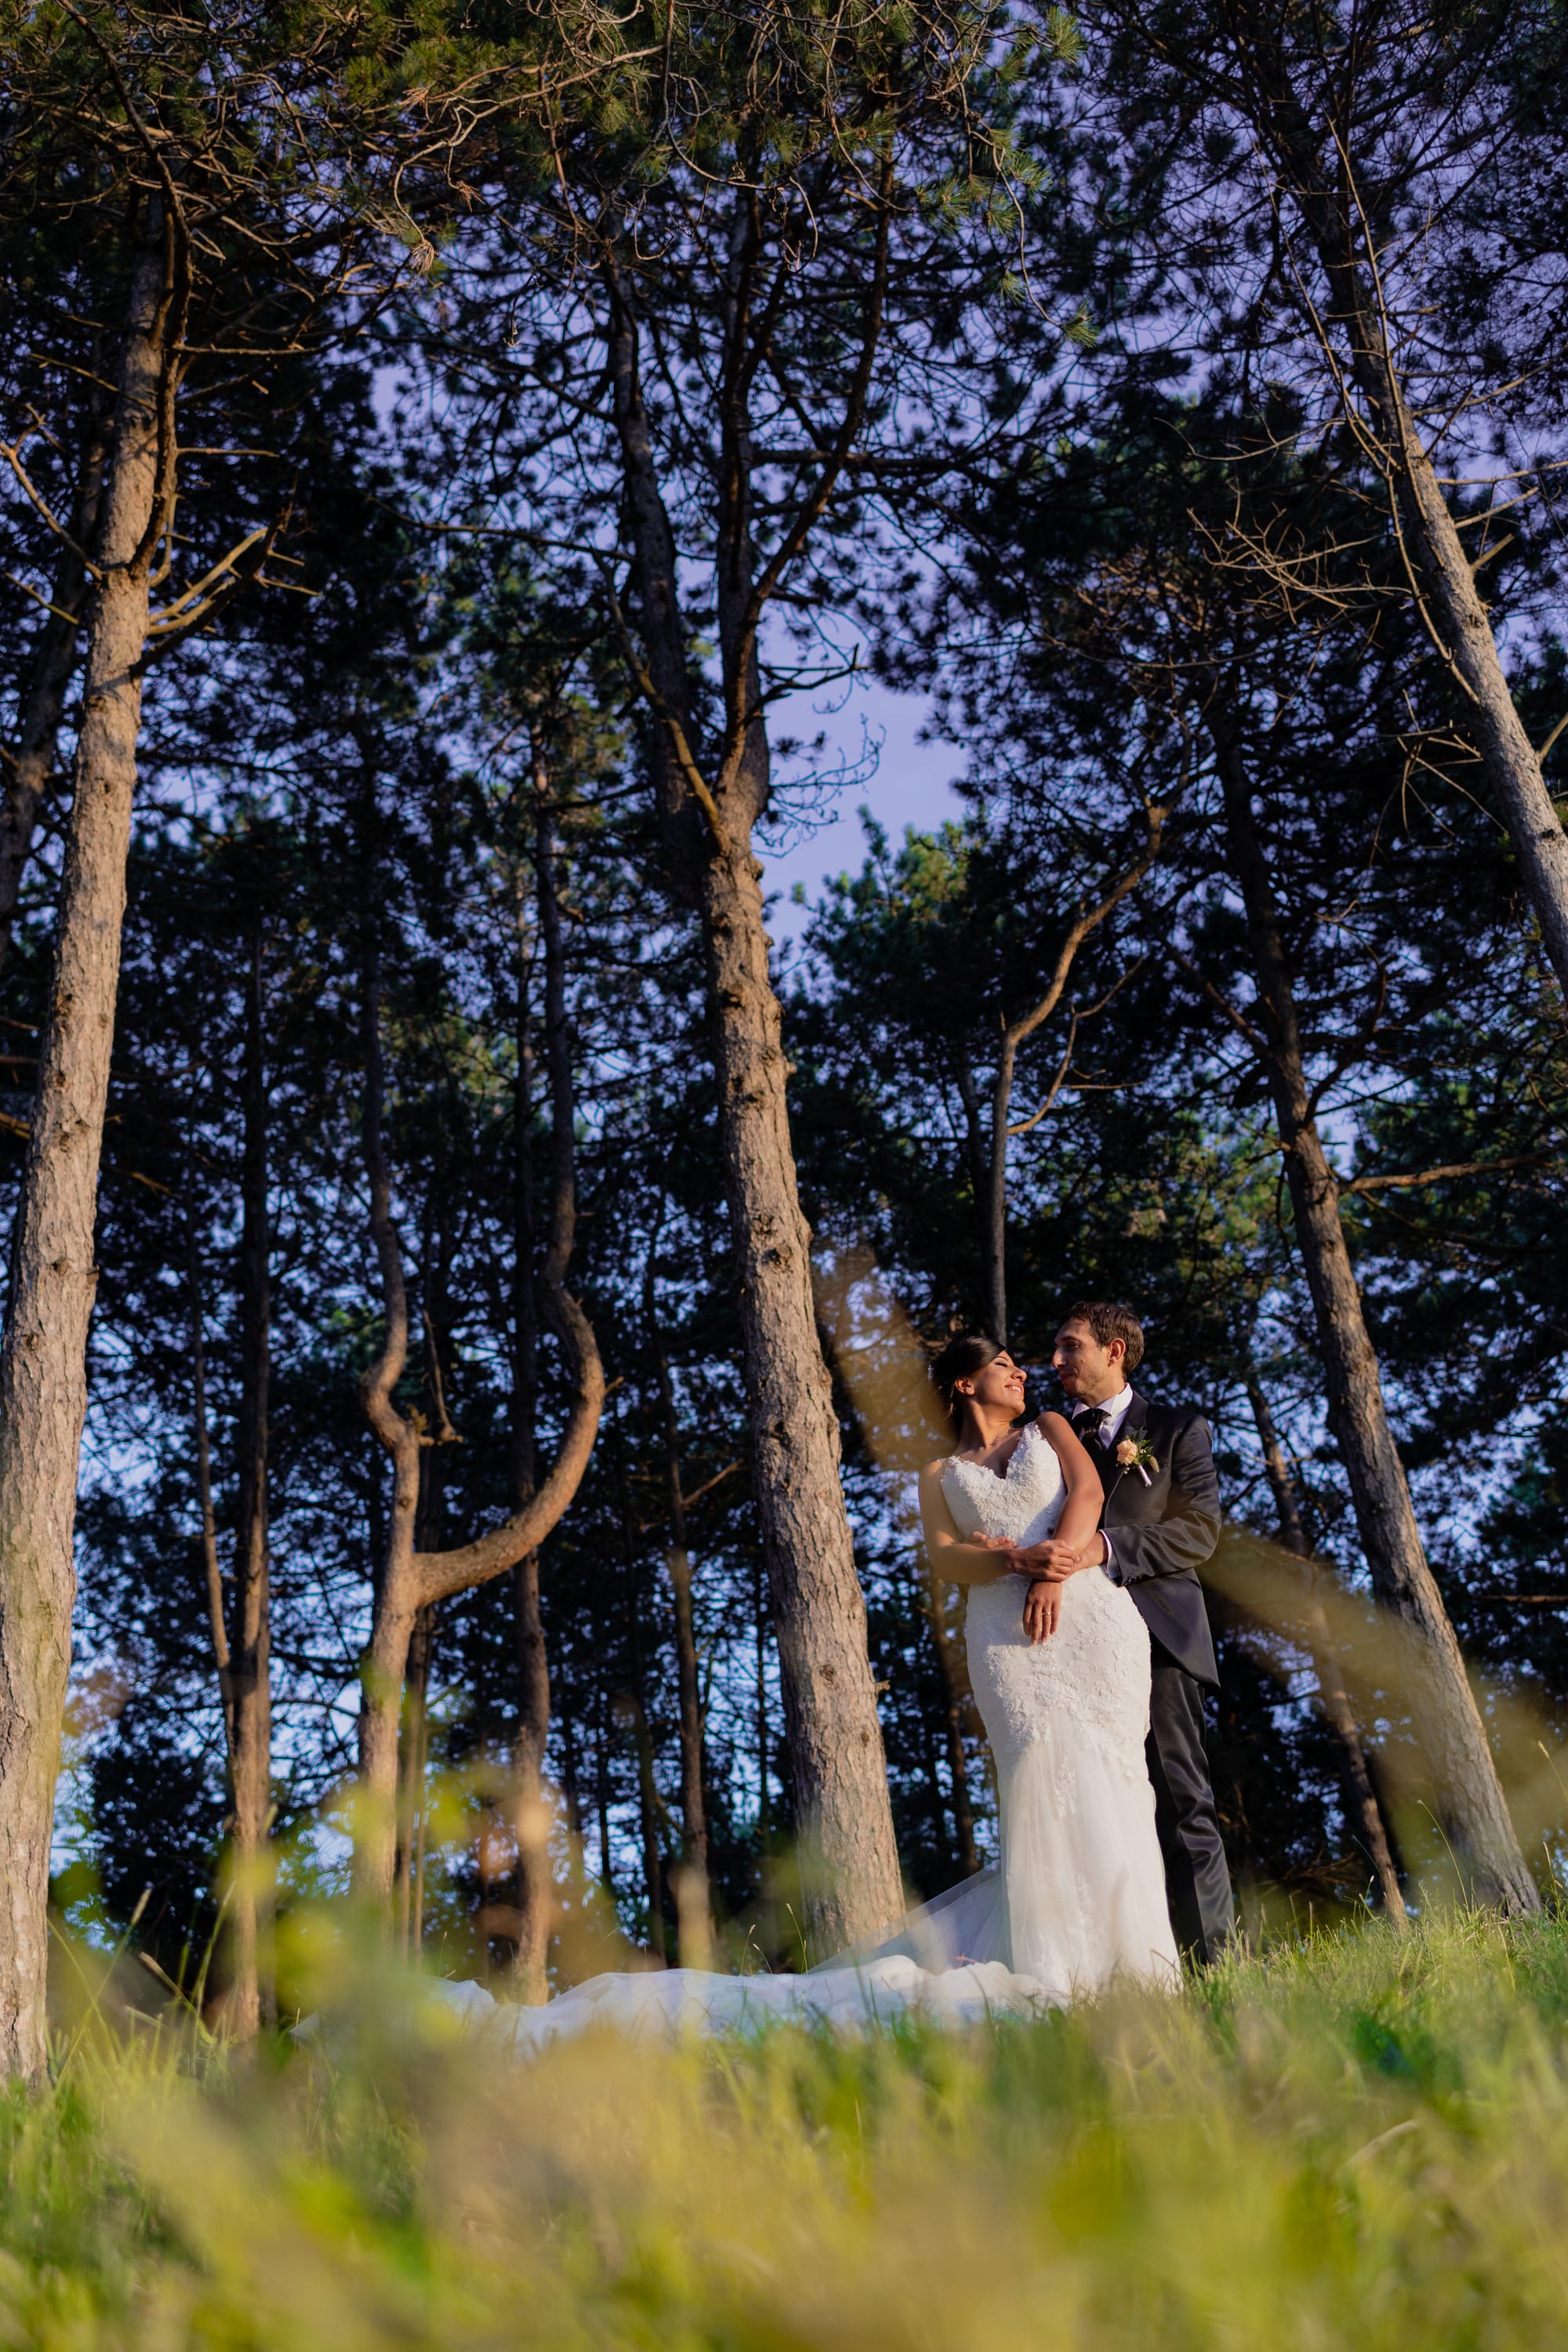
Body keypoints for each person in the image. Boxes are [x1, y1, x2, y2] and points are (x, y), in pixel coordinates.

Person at [913, 1334, 1179, 1998]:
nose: (1021, 1373)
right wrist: (1009, 1560)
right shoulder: (939, 1474)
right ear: (965, 1384)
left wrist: (1051, 1572)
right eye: (1002, 1365)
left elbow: (1088, 1494)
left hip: (1088, 1618)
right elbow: (945, 1558)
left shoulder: (1050, 1427)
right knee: (1035, 1775)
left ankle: (1140, 1970)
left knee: (1112, 1776)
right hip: (1004, 1641)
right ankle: (1055, 1976)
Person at [1025, 1301, 1233, 1965]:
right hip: (1069, 1644)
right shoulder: (1043, 1441)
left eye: (1070, 1346)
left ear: (1114, 1351)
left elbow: (1198, 1531)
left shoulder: (1177, 1429)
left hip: (1159, 1634)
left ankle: (1214, 1969)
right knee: (1090, 1811)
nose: (1056, 1361)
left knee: (1181, 1801)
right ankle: (1120, 1972)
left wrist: (1105, 1547)